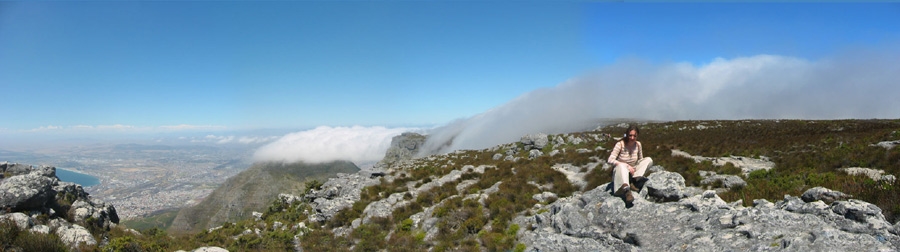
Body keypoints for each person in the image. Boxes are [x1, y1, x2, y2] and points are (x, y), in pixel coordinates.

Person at [607, 125, 653, 204]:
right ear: (627, 135)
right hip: (621, 170)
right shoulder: (620, 144)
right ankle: (627, 190)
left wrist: (636, 168)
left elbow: (640, 159)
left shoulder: (638, 144)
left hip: (632, 171)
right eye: (630, 135)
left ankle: (633, 180)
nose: (632, 138)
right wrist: (626, 166)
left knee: (649, 160)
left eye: (634, 136)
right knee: (621, 166)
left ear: (637, 136)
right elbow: (610, 160)